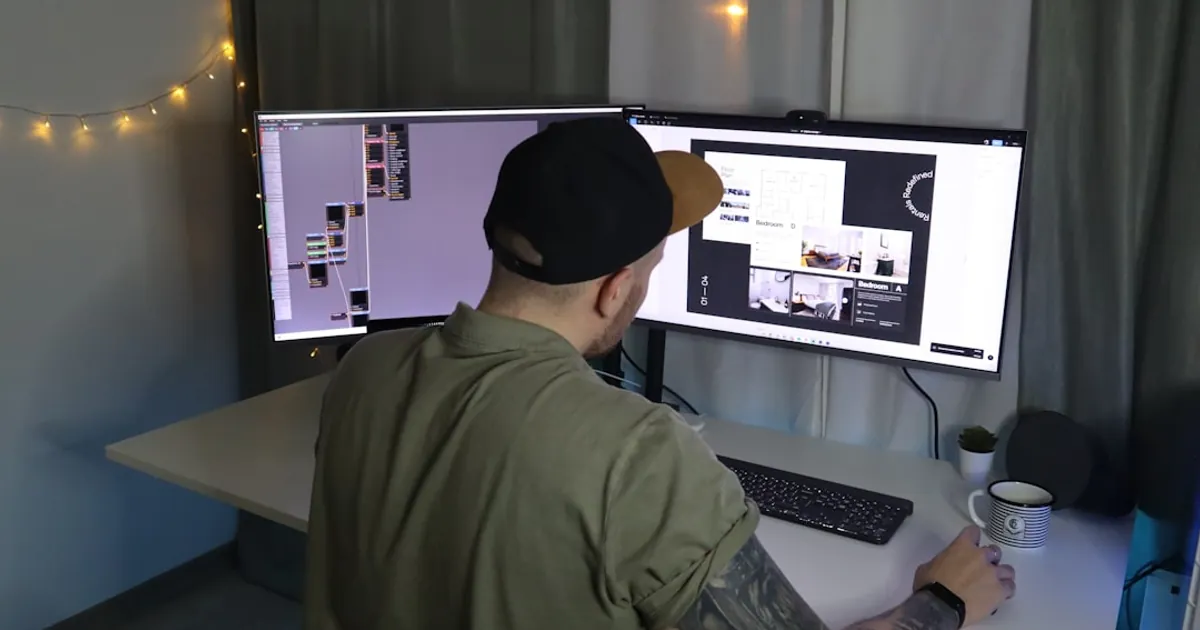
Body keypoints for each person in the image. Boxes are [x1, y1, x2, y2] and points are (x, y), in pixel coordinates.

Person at [305, 117, 1016, 630]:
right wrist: (941, 602)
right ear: (616, 290)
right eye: (653, 268)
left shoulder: (363, 371)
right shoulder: (638, 454)